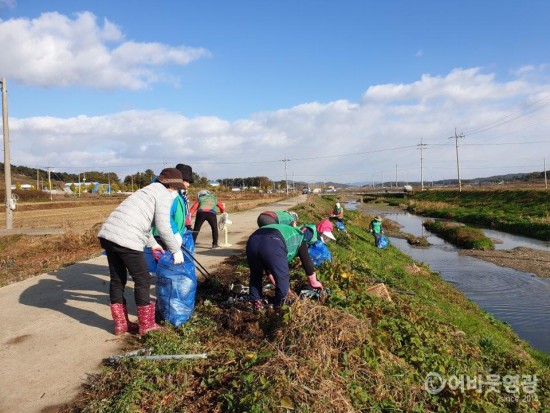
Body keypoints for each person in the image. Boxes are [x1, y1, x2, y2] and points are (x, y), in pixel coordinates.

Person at [98, 168, 186, 336]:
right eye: (176, 188)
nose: (176, 191)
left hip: (108, 235)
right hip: (126, 238)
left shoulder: (145, 191)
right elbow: (163, 226)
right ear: (173, 186)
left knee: (117, 279)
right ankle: (146, 325)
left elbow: (141, 223)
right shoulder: (164, 195)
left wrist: (153, 244)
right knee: (143, 279)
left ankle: (121, 325)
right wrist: (176, 250)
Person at [246, 218, 336, 310]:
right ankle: (279, 306)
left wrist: (275, 279)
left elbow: (269, 265)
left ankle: (256, 302)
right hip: (273, 240)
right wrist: (314, 282)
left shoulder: (292, 231)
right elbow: (307, 262)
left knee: (256, 274)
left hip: (253, 240)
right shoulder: (300, 237)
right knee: (283, 277)